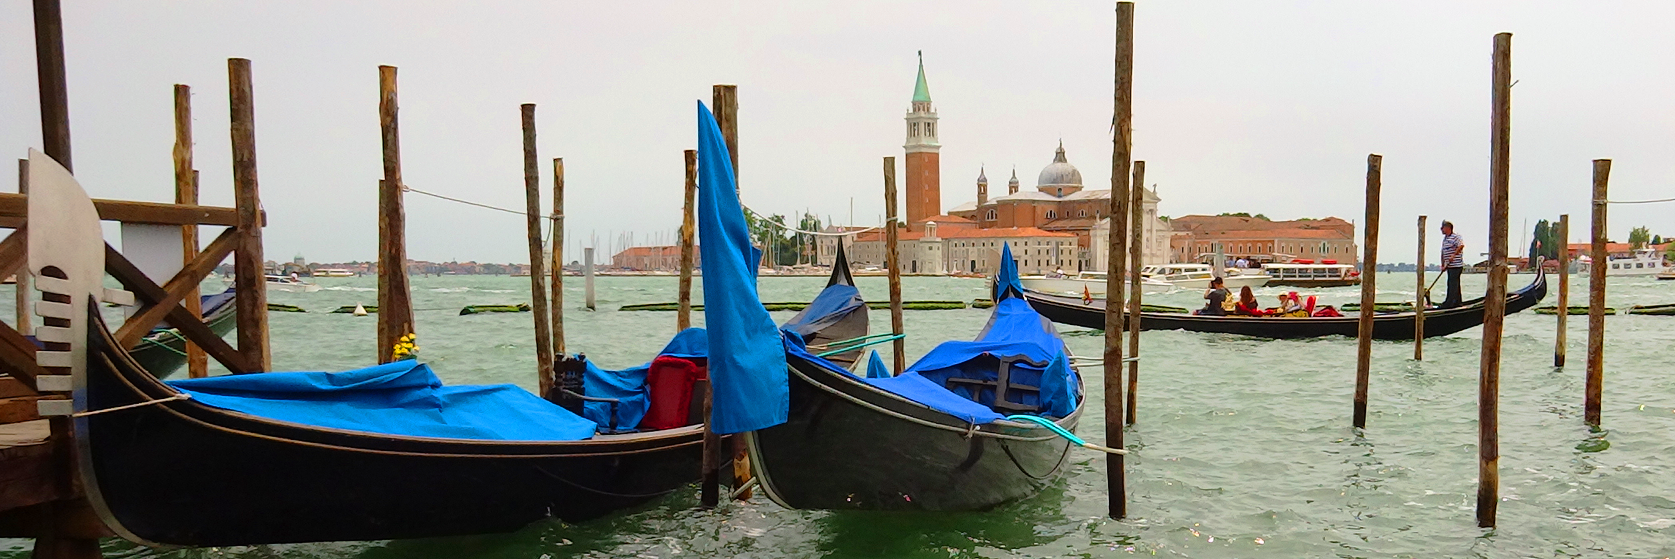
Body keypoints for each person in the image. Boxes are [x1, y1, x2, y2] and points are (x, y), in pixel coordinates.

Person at [1440, 220, 1466, 308]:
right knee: (1453, 283)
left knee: (1452, 284)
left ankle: (1450, 302)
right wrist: (1443, 264)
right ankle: (1457, 302)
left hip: (1456, 265)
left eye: (1442, 228)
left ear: (1448, 228)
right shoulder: (1445, 239)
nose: (1441, 230)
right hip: (1449, 266)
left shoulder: (1456, 237)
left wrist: (1453, 255)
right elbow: (1443, 252)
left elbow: (1461, 246)